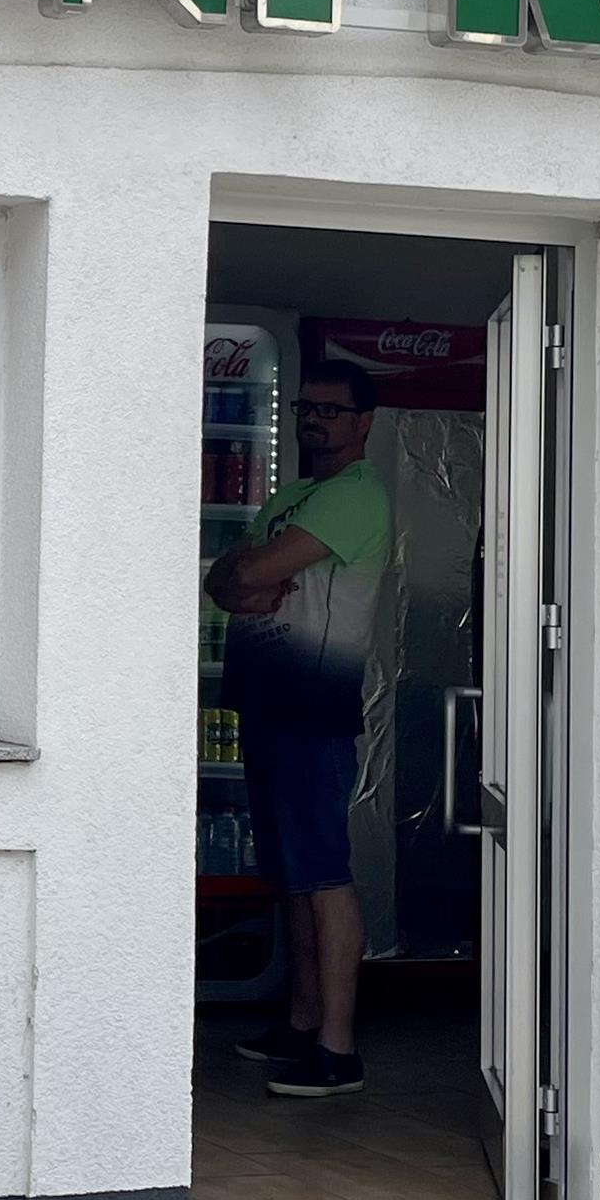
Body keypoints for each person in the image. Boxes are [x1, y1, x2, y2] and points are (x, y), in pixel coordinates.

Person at [205, 358, 390, 1097]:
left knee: (322, 874)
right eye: (305, 407)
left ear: (364, 422)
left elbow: (247, 576)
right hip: (267, 704)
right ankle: (303, 1021)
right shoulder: (291, 496)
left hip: (313, 705)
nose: (314, 419)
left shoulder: (356, 495)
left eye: (331, 410)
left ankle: (338, 1050)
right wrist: (245, 575)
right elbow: (223, 582)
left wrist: (251, 574)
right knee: (291, 875)